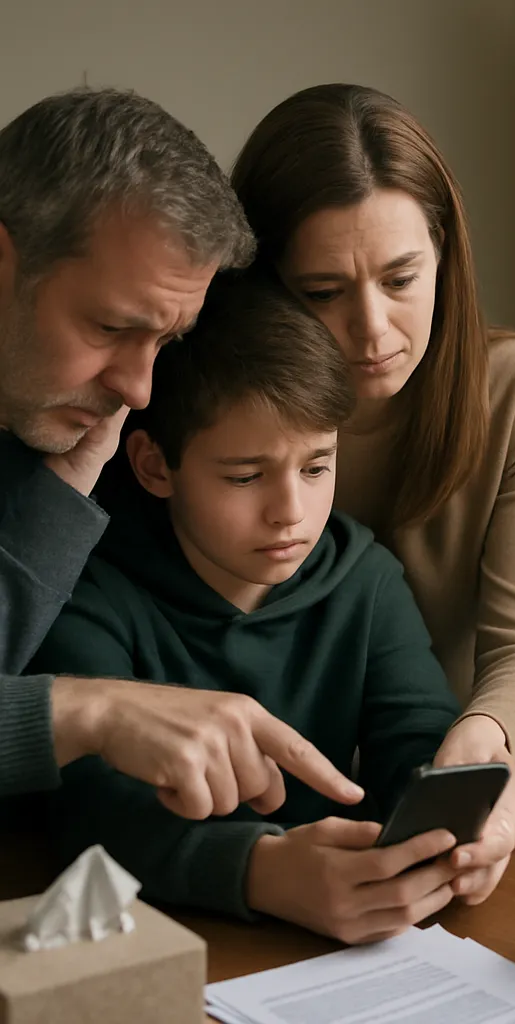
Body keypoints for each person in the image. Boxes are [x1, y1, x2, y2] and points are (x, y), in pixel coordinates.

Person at [31, 274, 515, 942]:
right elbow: (93, 814)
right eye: (246, 477)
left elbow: (418, 742)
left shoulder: (364, 579)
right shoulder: (91, 594)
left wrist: (465, 832)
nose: (291, 512)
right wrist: (261, 871)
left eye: (317, 467)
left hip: (338, 942)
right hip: (159, 946)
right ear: (154, 466)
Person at [0, 88, 361, 819]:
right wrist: (92, 713)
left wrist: (67, 482)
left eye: (166, 341)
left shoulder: (74, 429)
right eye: (110, 326)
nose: (139, 387)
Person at [230, 89, 515, 769]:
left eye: (400, 279)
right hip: (259, 786)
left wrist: (483, 745)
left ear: (441, 252)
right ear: (264, 285)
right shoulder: (211, 413)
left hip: (435, 758)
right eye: (323, 293)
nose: (372, 329)